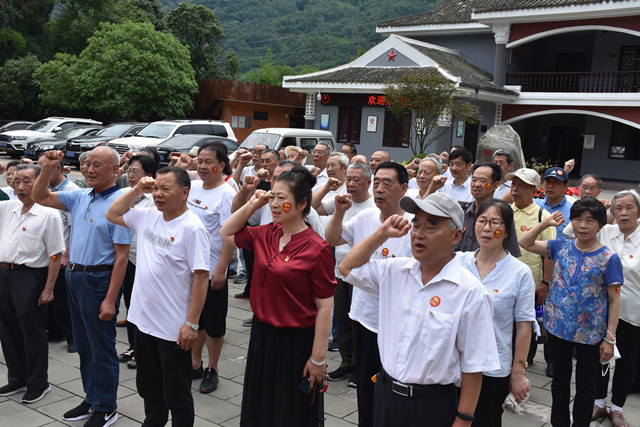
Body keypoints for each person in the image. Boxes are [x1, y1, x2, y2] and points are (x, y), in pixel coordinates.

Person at [338, 192, 500, 427]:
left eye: (431, 227)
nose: (419, 234)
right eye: (416, 225)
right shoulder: (394, 271)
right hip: (386, 394)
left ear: (456, 236)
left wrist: (463, 420)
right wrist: (382, 233)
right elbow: (347, 267)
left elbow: (474, 365)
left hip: (432, 406)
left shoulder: (469, 292)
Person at [220, 166, 336, 426]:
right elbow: (226, 232)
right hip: (263, 334)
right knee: (260, 403)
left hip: (296, 340)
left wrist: (318, 359)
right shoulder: (266, 234)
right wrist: (253, 202)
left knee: (289, 410)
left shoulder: (317, 248)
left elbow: (325, 306)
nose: (273, 204)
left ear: (302, 203)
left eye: (282, 198)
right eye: (272, 196)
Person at [34, 148, 133, 427]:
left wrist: (111, 300)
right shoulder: (79, 195)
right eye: (85, 164)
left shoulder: (120, 202)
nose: (89, 169)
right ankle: (91, 398)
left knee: (101, 347)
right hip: (74, 276)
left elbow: (122, 257)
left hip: (99, 280)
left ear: (115, 170)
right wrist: (47, 168)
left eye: (97, 165)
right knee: (85, 346)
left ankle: (106, 406)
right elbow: (40, 196)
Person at [106, 167, 210, 427]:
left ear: (185, 192)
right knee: (149, 388)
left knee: (176, 394)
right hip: (142, 322)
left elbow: (201, 278)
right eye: (156, 189)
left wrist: (192, 324)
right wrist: (137, 189)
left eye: (166, 189)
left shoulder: (192, 228)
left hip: (172, 329)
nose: (158, 195)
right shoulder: (147, 216)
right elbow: (113, 212)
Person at [519, 198, 623, 427]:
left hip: (591, 333)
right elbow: (525, 243)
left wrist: (609, 338)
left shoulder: (609, 258)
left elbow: (615, 302)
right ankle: (559, 423)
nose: (583, 225)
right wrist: (545, 224)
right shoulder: (560, 246)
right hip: (558, 328)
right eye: (578, 219)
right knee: (560, 382)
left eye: (590, 221)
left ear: (600, 225)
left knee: (586, 386)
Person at [325, 161, 413, 427]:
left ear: (404, 189)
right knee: (366, 386)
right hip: (365, 318)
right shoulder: (363, 218)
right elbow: (332, 239)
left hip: (398, 322)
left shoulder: (412, 225)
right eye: (377, 183)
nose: (380, 189)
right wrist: (339, 213)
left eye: (388, 183)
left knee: (393, 388)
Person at [457, 199, 536, 426]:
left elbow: (524, 325)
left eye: (495, 223)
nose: (487, 228)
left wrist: (518, 372)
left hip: (493, 368)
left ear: (507, 230)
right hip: (455, 364)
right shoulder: (459, 262)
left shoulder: (519, 273)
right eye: (482, 221)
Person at [0, 164, 65, 404]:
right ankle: (17, 377)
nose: (21, 186)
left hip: (31, 277)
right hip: (5, 274)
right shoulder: (9, 207)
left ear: (40, 183)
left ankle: (38, 383)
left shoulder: (48, 213)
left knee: (32, 332)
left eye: (27, 181)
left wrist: (49, 288)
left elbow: (55, 254)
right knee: (7, 330)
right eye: (17, 181)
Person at [586, 190, 640, 427]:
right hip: (601, 311)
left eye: (630, 207)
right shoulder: (606, 231)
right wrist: (600, 212)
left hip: (632, 312)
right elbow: (570, 231)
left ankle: (617, 408)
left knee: (627, 361)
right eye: (618, 208)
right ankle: (599, 403)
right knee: (600, 358)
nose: (624, 213)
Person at [186, 142, 236, 394]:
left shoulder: (227, 194)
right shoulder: (193, 187)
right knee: (196, 320)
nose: (202, 166)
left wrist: (221, 270)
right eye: (199, 161)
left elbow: (229, 236)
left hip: (212, 269)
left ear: (221, 166)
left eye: (208, 162)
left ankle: (212, 369)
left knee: (214, 324)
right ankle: (195, 364)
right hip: (189, 269)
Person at [321, 163, 375, 385]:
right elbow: (329, 235)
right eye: (349, 180)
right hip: (340, 271)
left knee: (359, 322)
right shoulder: (341, 201)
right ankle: (346, 363)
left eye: (356, 180)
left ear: (368, 183)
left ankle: (360, 368)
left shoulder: (375, 207)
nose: (351, 184)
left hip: (364, 275)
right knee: (342, 318)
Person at [506, 168, 555, 374]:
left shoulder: (543, 216)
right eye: (513, 184)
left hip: (531, 282)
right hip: (505, 278)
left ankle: (524, 361)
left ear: (534, 190)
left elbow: (549, 253)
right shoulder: (505, 210)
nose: (515, 189)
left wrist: (545, 284)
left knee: (526, 322)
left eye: (521, 186)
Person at [116, 155, 157, 369]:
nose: (130, 176)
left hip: (147, 260)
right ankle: (133, 345)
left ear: (148, 176)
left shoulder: (155, 197)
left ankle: (143, 349)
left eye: (135, 172)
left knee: (145, 306)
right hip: (129, 258)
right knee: (130, 303)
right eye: (129, 171)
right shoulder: (126, 193)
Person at [37, 154, 79, 353]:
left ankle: (73, 337)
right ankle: (55, 331)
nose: (40, 174)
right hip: (45, 253)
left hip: (62, 254)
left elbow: (74, 227)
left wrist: (67, 254)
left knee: (63, 299)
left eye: (45, 168)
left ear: (58, 168)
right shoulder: (45, 191)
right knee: (49, 296)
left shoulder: (72, 192)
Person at [455, 162, 521, 255]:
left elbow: (512, 252)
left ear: (495, 185)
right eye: (474, 180)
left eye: (482, 181)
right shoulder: (460, 211)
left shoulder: (502, 214)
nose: (476, 184)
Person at [535, 167, 573, 238]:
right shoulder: (534, 204)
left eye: (556, 183)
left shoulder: (573, 210)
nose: (550, 186)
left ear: (565, 187)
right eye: (548, 182)